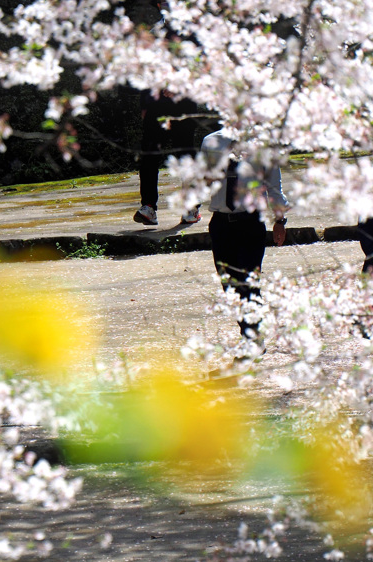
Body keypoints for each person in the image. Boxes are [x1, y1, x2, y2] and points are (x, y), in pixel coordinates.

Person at [200, 128, 289, 336]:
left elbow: (274, 185)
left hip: (250, 222)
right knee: (229, 285)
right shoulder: (211, 142)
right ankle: (250, 333)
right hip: (221, 223)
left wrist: (280, 220)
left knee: (248, 281)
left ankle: (252, 339)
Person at [133, 1, 200, 227]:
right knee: (150, 155)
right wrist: (144, 103)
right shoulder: (154, 32)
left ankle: (190, 207)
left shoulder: (194, 31)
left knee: (185, 154)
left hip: (183, 102)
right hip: (157, 104)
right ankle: (149, 207)